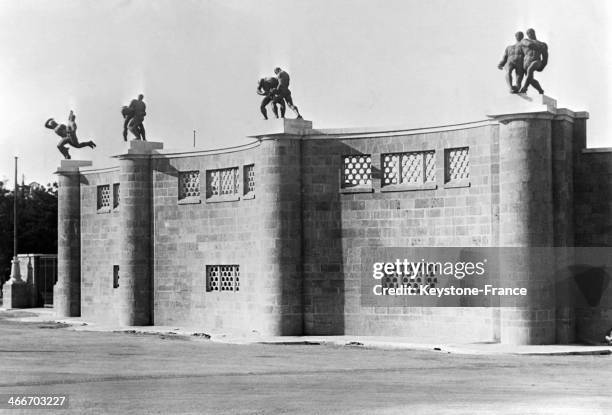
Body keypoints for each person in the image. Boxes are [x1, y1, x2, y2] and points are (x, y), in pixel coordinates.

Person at [519, 28, 548, 94]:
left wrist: (542, 66)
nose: (530, 34)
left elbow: (545, 57)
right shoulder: (524, 40)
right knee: (530, 80)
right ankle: (540, 90)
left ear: (534, 32)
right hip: (526, 62)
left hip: (536, 61)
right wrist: (540, 47)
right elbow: (529, 44)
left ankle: (524, 88)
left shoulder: (542, 44)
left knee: (530, 69)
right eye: (528, 33)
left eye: (531, 32)